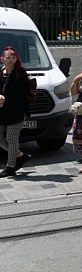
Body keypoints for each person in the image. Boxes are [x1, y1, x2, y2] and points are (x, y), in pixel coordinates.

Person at [0, 47, 33, 176]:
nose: (11, 60)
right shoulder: (1, 72)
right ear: (2, 59)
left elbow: (22, 93)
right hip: (2, 112)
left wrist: (6, 98)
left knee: (11, 138)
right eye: (8, 57)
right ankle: (20, 155)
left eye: (13, 58)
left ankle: (11, 166)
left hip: (17, 112)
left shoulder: (20, 73)